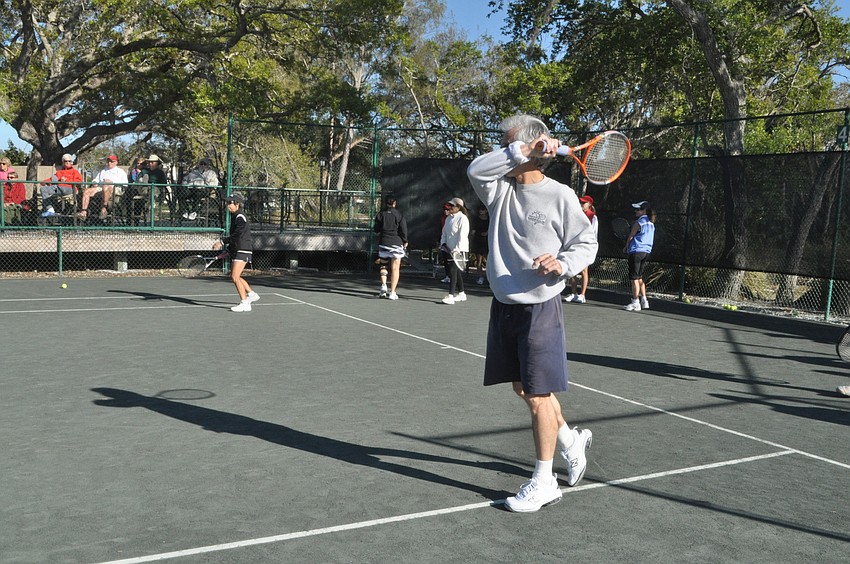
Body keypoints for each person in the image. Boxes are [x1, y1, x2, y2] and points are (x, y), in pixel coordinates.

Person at [467, 114, 597, 513]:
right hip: (505, 305)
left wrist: (563, 263)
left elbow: (586, 242)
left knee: (539, 396)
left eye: (508, 144)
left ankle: (545, 482)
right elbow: (475, 167)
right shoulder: (497, 189)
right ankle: (572, 443)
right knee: (524, 388)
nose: (502, 152)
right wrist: (524, 147)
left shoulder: (559, 195)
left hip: (542, 306)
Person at [213, 192, 259, 312]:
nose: (228, 205)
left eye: (230, 203)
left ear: (237, 204)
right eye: (227, 203)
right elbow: (237, 237)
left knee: (234, 276)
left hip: (243, 249)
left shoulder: (240, 217)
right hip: (240, 249)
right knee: (236, 276)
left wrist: (222, 242)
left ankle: (245, 303)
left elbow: (238, 235)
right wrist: (228, 251)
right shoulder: (236, 216)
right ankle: (252, 294)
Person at [563, 195, 598, 303]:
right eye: (581, 202)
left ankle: (582, 295)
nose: (581, 205)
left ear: (590, 205)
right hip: (573, 244)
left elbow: (593, 233)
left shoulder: (593, 217)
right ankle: (573, 293)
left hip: (585, 246)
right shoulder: (576, 215)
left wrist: (588, 246)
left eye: (584, 203)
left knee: (584, 271)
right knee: (572, 270)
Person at [623, 200, 656, 311]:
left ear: (644, 211)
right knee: (639, 277)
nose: (636, 211)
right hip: (646, 252)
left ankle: (635, 302)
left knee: (634, 279)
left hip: (636, 251)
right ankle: (644, 300)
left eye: (638, 209)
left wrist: (626, 246)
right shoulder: (651, 222)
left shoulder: (640, 222)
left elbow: (631, 236)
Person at [373, 196, 408, 300]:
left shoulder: (380, 215)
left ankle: (383, 286)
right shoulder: (399, 215)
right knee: (395, 268)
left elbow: (376, 229)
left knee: (383, 265)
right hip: (396, 244)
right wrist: (405, 240)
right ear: (395, 203)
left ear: (385, 203)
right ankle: (392, 292)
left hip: (384, 243)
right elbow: (404, 230)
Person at [78, 155, 129, 220]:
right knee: (87, 191)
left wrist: (112, 181)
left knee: (106, 187)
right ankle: (83, 212)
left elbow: (125, 183)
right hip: (101, 187)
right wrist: (95, 182)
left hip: (115, 188)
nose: (109, 163)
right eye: (108, 161)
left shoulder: (120, 171)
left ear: (116, 162)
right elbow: (96, 179)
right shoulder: (103, 171)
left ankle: (104, 209)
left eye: (111, 161)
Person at [440, 197, 469, 304]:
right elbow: (444, 233)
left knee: (453, 272)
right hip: (449, 250)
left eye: (452, 206)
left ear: (459, 207)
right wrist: (443, 243)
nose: (450, 207)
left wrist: (457, 250)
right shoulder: (448, 219)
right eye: (449, 205)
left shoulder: (463, 218)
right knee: (455, 272)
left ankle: (450, 296)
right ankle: (462, 294)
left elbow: (463, 235)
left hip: (459, 251)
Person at [470, 206, 490, 285]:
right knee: (479, 260)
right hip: (478, 241)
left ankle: (490, 277)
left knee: (488, 261)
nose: (481, 211)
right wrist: (479, 233)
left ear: (486, 211)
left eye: (483, 209)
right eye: (480, 210)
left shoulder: (489, 219)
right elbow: (473, 231)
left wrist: (487, 232)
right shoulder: (476, 219)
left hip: (487, 241)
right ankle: (480, 277)